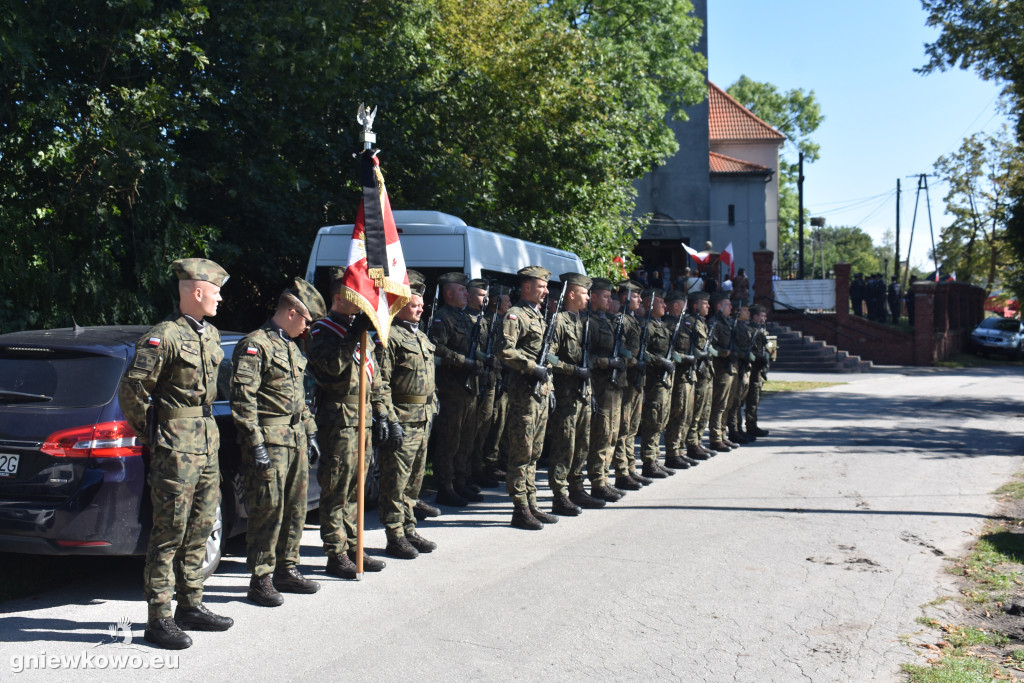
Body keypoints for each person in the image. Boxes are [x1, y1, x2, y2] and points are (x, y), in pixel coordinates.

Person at [117, 258, 233, 650]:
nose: (220, 297)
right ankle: (159, 617)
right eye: (215, 290)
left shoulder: (212, 335)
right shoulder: (162, 336)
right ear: (196, 292)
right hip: (175, 448)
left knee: (201, 527)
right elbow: (132, 391)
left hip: (207, 443)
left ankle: (191, 605)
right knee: (170, 532)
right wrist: (153, 433)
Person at [231, 278, 325, 607]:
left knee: (296, 509)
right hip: (270, 441)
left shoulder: (291, 346)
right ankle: (261, 578)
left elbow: (301, 399)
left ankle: (287, 567)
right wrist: (254, 443)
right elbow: (243, 402)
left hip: (296, 439)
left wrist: (311, 432)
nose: (308, 327)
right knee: (268, 510)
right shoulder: (256, 345)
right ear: (292, 312)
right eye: (307, 320)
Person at [307, 268, 387, 580]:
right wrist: (354, 335)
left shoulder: (358, 330)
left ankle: (355, 545)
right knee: (337, 489)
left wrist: (381, 412)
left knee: (358, 488)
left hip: (363, 420)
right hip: (339, 421)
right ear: (339, 297)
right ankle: (336, 552)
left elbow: (374, 376)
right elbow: (332, 369)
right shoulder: (321, 331)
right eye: (357, 296)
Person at [376, 270, 439, 559]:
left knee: (414, 479)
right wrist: (389, 418)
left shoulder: (421, 336)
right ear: (400, 306)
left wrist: (433, 402)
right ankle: (394, 534)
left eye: (421, 305)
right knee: (396, 481)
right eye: (415, 305)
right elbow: (382, 382)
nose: (420, 308)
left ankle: (409, 526)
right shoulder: (389, 336)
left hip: (423, 418)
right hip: (403, 417)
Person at [495, 266, 559, 530]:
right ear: (527, 287)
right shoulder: (515, 315)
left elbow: (548, 355)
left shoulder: (539, 316)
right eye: (541, 286)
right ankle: (520, 508)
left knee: (534, 452)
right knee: (521, 452)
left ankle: (531, 503)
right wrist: (533, 368)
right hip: (523, 394)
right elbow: (504, 350)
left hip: (540, 394)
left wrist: (550, 385)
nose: (545, 291)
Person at [428, 272, 484, 506]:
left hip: (469, 389)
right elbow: (437, 349)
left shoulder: (464, 318)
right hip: (451, 389)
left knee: (465, 439)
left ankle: (461, 481)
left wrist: (482, 358)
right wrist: (464, 362)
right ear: (449, 293)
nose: (466, 294)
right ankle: (446, 486)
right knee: (449, 440)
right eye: (462, 290)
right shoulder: (442, 318)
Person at [545, 272, 593, 516]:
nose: (588, 297)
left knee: (582, 443)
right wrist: (573, 369)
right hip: (565, 394)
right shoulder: (559, 321)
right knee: (565, 445)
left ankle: (577, 487)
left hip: (582, 394)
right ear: (572, 294)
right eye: (584, 293)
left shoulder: (583, 321)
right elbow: (550, 357)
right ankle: (559, 494)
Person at [583, 277, 623, 508]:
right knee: (601, 435)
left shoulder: (607, 321)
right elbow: (587, 357)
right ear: (594, 297)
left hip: (613, 387)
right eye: (605, 297)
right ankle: (597, 481)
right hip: (599, 386)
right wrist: (609, 362)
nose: (609, 301)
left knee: (611, 434)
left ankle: (604, 478)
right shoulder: (589, 323)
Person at [609, 280, 650, 495]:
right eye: (636, 296)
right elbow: (620, 350)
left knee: (632, 427)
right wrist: (635, 361)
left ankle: (630, 467)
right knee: (623, 429)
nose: (640, 300)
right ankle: (621, 472)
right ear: (625, 298)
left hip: (635, 382)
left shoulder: (634, 320)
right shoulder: (620, 321)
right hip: (624, 381)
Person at [637, 289, 676, 479]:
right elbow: (642, 353)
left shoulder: (662, 326)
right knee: (653, 420)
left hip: (664, 382)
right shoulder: (647, 327)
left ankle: (655, 459)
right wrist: (661, 361)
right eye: (660, 302)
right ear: (650, 305)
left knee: (661, 420)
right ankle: (648, 461)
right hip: (653, 381)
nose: (664, 306)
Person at [662, 290, 697, 471]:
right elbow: (671, 352)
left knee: (686, 414)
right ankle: (672, 452)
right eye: (683, 303)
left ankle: (680, 450)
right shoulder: (668, 326)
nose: (687, 307)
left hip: (687, 376)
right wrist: (684, 358)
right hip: (678, 376)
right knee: (678, 413)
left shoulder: (685, 324)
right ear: (676, 305)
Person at [684, 291, 715, 461]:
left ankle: (698, 441)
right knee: (696, 410)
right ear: (696, 306)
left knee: (704, 408)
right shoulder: (692, 323)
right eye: (705, 304)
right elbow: (689, 346)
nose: (708, 306)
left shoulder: (702, 323)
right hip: (698, 371)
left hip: (706, 371)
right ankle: (692, 443)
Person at [707, 293, 737, 452]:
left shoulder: (728, 323)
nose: (731, 307)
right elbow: (710, 346)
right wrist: (721, 353)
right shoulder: (714, 323)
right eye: (728, 304)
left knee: (727, 404)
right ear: (720, 306)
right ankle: (715, 438)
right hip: (720, 368)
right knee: (719, 405)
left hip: (729, 367)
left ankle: (722, 435)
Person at [725, 301, 755, 444]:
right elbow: (734, 346)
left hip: (744, 366)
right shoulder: (735, 325)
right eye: (744, 310)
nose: (748, 313)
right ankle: (733, 429)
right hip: (737, 365)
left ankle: (739, 428)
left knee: (740, 400)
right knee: (734, 401)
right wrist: (743, 355)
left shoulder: (745, 327)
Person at [744, 304, 771, 438]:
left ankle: (752, 424)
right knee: (751, 399)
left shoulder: (761, 329)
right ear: (755, 316)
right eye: (762, 315)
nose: (764, 318)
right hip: (752, 369)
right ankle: (750, 426)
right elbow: (749, 350)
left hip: (759, 369)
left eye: (765, 316)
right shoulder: (750, 329)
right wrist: (758, 358)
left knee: (755, 398)